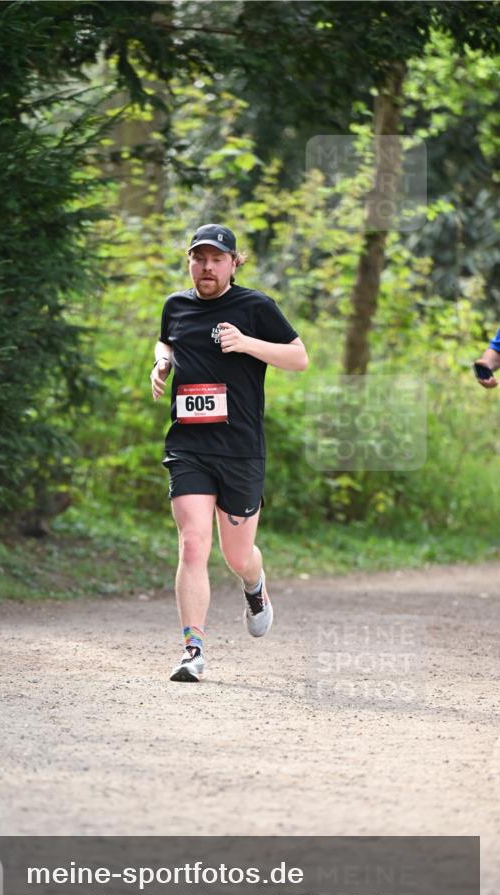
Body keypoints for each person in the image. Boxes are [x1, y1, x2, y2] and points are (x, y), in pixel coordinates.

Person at [150, 224, 309, 682]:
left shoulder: (255, 306)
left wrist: (246, 343)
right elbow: (167, 339)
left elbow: (299, 357)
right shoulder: (175, 305)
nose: (206, 267)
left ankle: (254, 587)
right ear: (189, 261)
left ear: (234, 263)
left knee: (237, 555)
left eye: (217, 259)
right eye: (199, 258)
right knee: (193, 541)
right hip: (188, 444)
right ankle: (192, 649)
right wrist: (161, 361)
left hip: (240, 449)